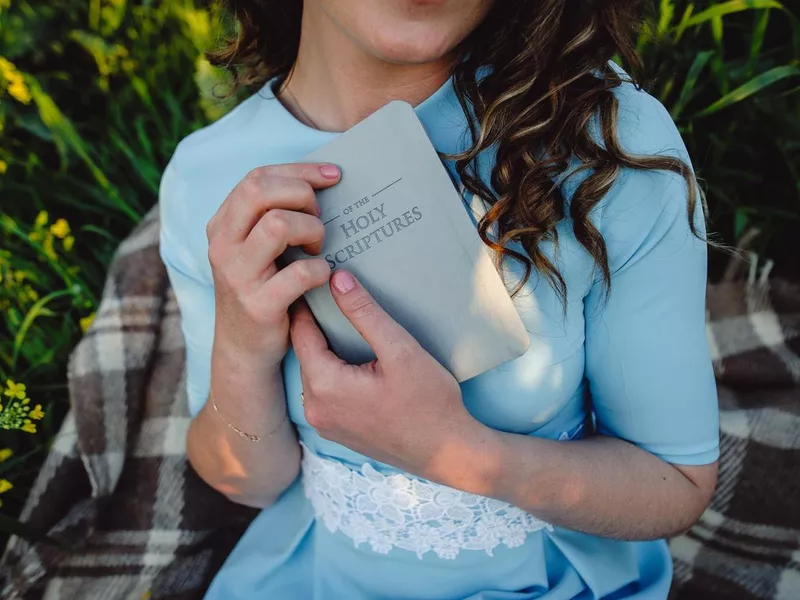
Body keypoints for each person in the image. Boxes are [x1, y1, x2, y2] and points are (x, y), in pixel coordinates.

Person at [158, 0, 720, 598]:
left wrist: (455, 453)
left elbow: (677, 480)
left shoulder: (607, 141)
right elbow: (250, 484)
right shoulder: (204, 176)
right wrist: (242, 349)